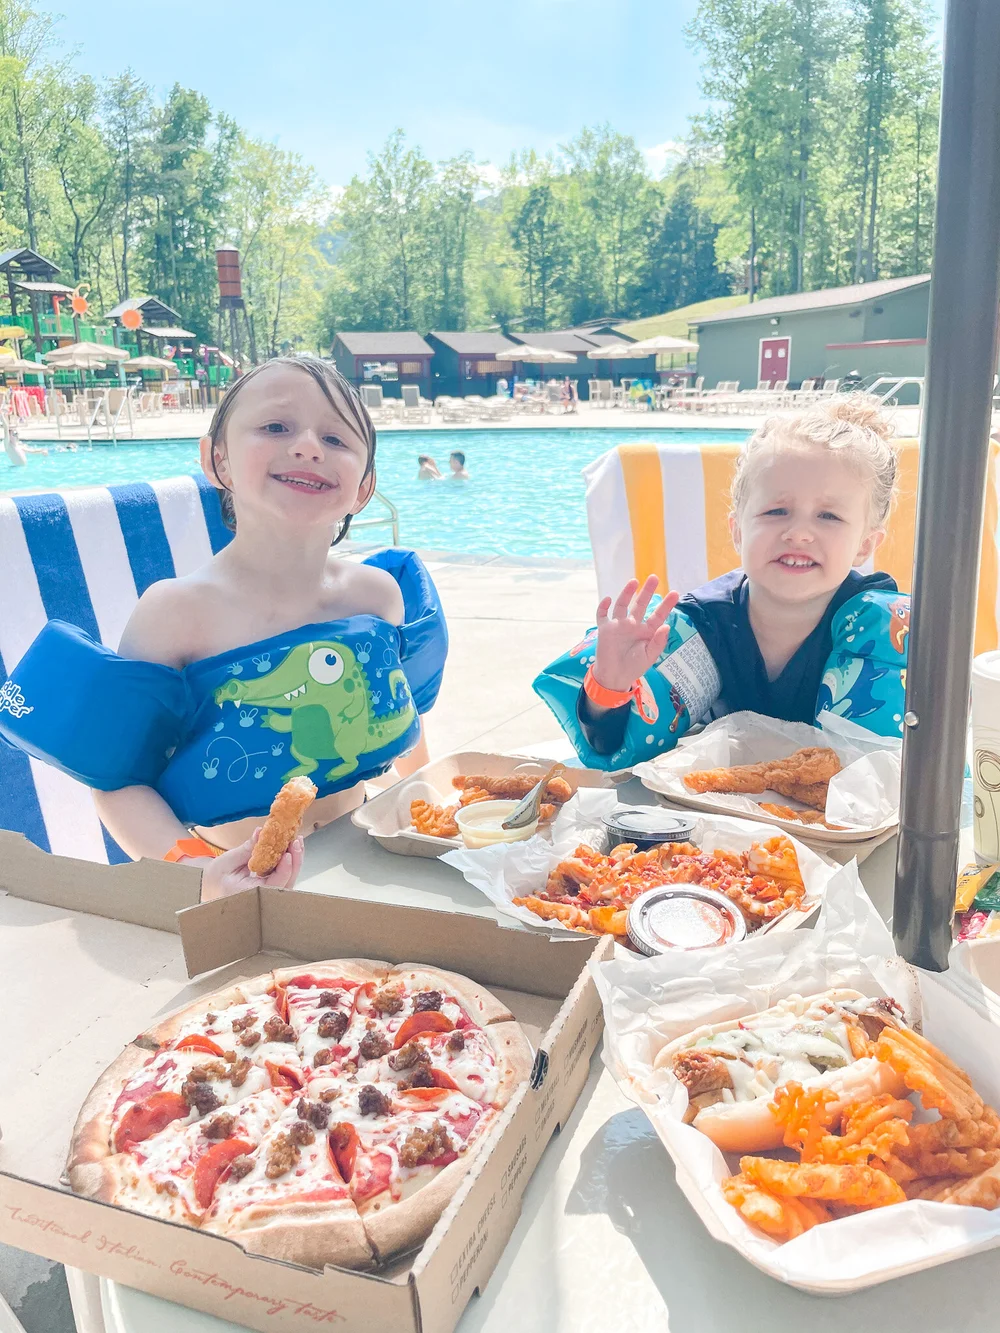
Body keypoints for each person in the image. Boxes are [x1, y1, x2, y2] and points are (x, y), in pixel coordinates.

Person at [0, 357, 448, 899]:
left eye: (335, 438)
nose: (308, 446)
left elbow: (398, 711)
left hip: (362, 854)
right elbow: (120, 781)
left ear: (364, 487)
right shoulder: (176, 612)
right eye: (276, 426)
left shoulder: (376, 597)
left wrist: (428, 800)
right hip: (233, 874)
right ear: (218, 460)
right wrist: (196, 874)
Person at [533, 396, 909, 768]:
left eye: (829, 516)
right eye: (776, 510)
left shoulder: (883, 631)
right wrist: (609, 685)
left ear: (865, 545)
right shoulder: (703, 625)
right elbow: (610, 746)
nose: (799, 533)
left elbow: (881, 777)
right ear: (737, 531)